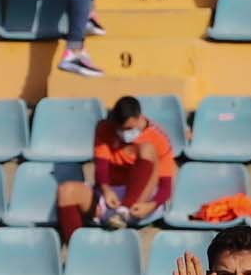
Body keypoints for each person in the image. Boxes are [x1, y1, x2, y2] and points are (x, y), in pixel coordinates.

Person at [58, 94, 177, 231]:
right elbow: (101, 166)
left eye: (129, 129)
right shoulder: (105, 128)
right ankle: (76, 246)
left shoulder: (158, 138)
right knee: (66, 191)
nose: (124, 134)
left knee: (147, 149)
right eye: (120, 130)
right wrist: (106, 190)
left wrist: (151, 205)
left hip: (140, 203)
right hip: (109, 198)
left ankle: (123, 212)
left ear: (139, 118)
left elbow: (166, 186)